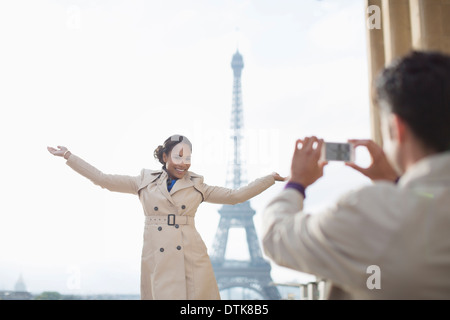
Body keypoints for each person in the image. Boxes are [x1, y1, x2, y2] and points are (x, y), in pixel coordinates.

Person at [262, 51, 450, 299]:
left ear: (397, 128)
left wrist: (297, 182)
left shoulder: (372, 211)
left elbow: (277, 238)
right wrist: (397, 184)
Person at [48, 134, 285, 300]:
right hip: (157, 252)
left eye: (188, 157)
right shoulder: (142, 181)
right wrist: (69, 156)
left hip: (190, 253)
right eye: (178, 156)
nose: (184, 163)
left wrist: (268, 179)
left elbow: (235, 196)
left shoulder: (198, 186)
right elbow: (103, 180)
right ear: (164, 157)